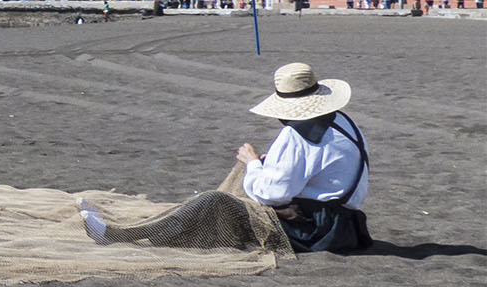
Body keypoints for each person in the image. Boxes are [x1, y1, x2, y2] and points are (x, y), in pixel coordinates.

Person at [78, 62, 372, 254]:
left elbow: (274, 193)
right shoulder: (345, 123)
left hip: (315, 229)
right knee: (214, 208)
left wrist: (252, 163)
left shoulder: (297, 136)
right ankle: (142, 228)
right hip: (347, 226)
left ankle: (122, 235)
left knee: (215, 203)